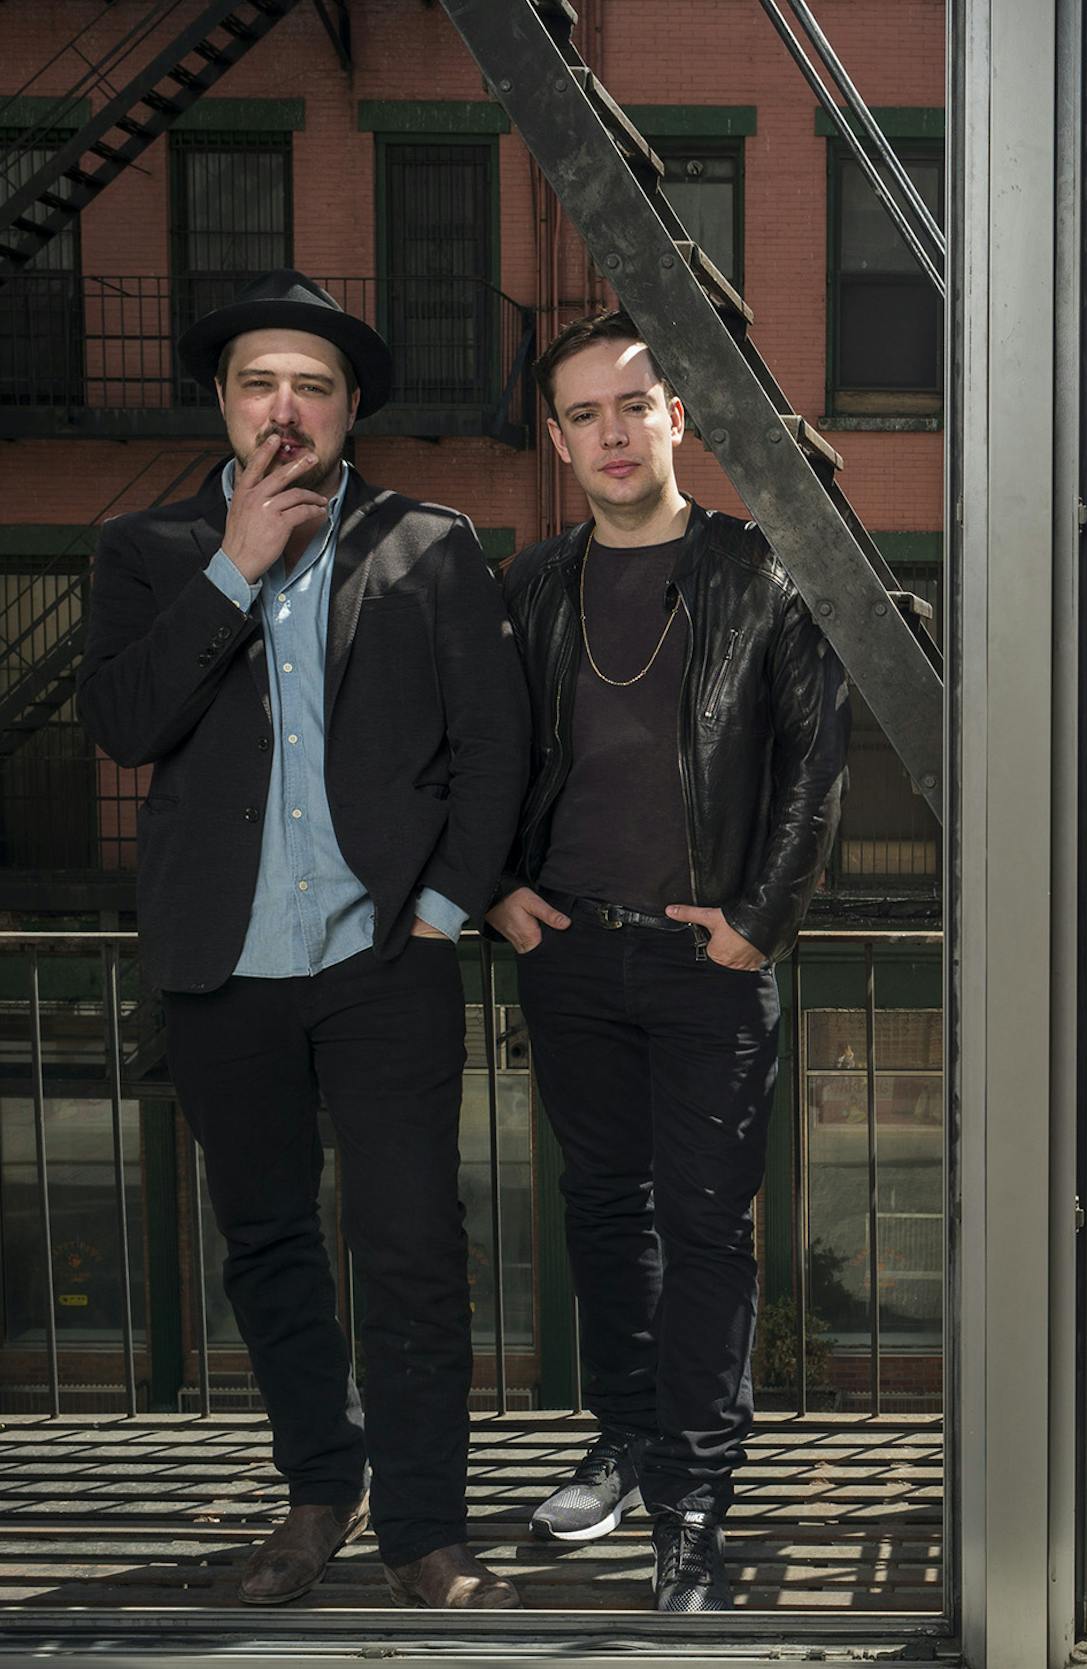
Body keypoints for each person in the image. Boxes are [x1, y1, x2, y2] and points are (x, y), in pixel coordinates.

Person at [78, 270, 530, 1608]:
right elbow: (123, 723)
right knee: (268, 1241)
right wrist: (237, 569)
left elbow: (494, 742)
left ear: (347, 415)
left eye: (314, 387)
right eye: (260, 383)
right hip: (223, 968)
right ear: (222, 402)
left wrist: (446, 911)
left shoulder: (427, 544)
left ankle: (427, 1534)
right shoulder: (146, 554)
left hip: (383, 957)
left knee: (411, 1244)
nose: (286, 408)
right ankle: (319, 1497)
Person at [488, 310, 849, 1611]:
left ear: (679, 417)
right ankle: (629, 1439)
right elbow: (472, 760)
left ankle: (695, 1495)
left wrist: (761, 917)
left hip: (709, 962)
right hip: (571, 951)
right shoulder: (530, 587)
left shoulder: (764, 570)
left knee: (704, 1230)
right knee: (604, 1214)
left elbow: (818, 764)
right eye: (582, 414)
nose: (611, 432)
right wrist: (498, 893)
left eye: (632, 406)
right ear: (559, 439)